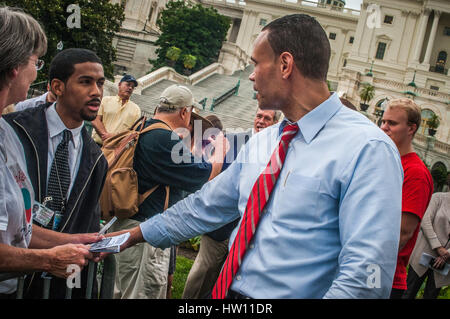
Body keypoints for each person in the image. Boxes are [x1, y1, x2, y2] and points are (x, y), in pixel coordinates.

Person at [109, 14, 403, 299]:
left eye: (256, 64)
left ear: (285, 64)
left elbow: (365, 274)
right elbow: (204, 206)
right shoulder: (264, 141)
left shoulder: (368, 148)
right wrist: (129, 237)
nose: (250, 74)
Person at [0, 6, 97, 299]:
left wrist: (73, 240)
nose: (35, 73)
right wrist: (48, 260)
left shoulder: (6, 132)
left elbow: (19, 229)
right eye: (36, 62)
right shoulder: (19, 127)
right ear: (15, 68)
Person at [110, 84, 228, 299]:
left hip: (130, 224)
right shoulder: (165, 138)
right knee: (141, 293)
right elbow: (203, 176)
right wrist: (220, 150)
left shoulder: (144, 125)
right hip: (144, 235)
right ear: (184, 112)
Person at [182, 111, 280, 299]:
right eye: (258, 116)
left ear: (275, 123)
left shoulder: (278, 150)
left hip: (249, 233)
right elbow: (214, 176)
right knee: (202, 275)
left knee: (229, 285)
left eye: (267, 118)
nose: (260, 121)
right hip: (220, 226)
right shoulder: (234, 142)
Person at [380, 98, 434, 299]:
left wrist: (365, 266)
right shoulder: (388, 160)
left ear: (411, 129)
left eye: (392, 123)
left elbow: (402, 234)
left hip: (383, 273)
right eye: (383, 121)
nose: (384, 127)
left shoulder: (416, 173)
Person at [403, 176, 450, 299]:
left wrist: (447, 254)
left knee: (431, 295)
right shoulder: (438, 198)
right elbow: (425, 221)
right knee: (408, 293)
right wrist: (438, 247)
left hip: (445, 262)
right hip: (423, 254)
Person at [91, 74, 141, 146]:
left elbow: (133, 133)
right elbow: (95, 120)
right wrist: (105, 135)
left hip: (116, 152)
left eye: (132, 87)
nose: (130, 88)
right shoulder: (106, 100)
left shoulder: (136, 109)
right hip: (96, 145)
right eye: (128, 84)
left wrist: (113, 138)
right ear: (119, 85)